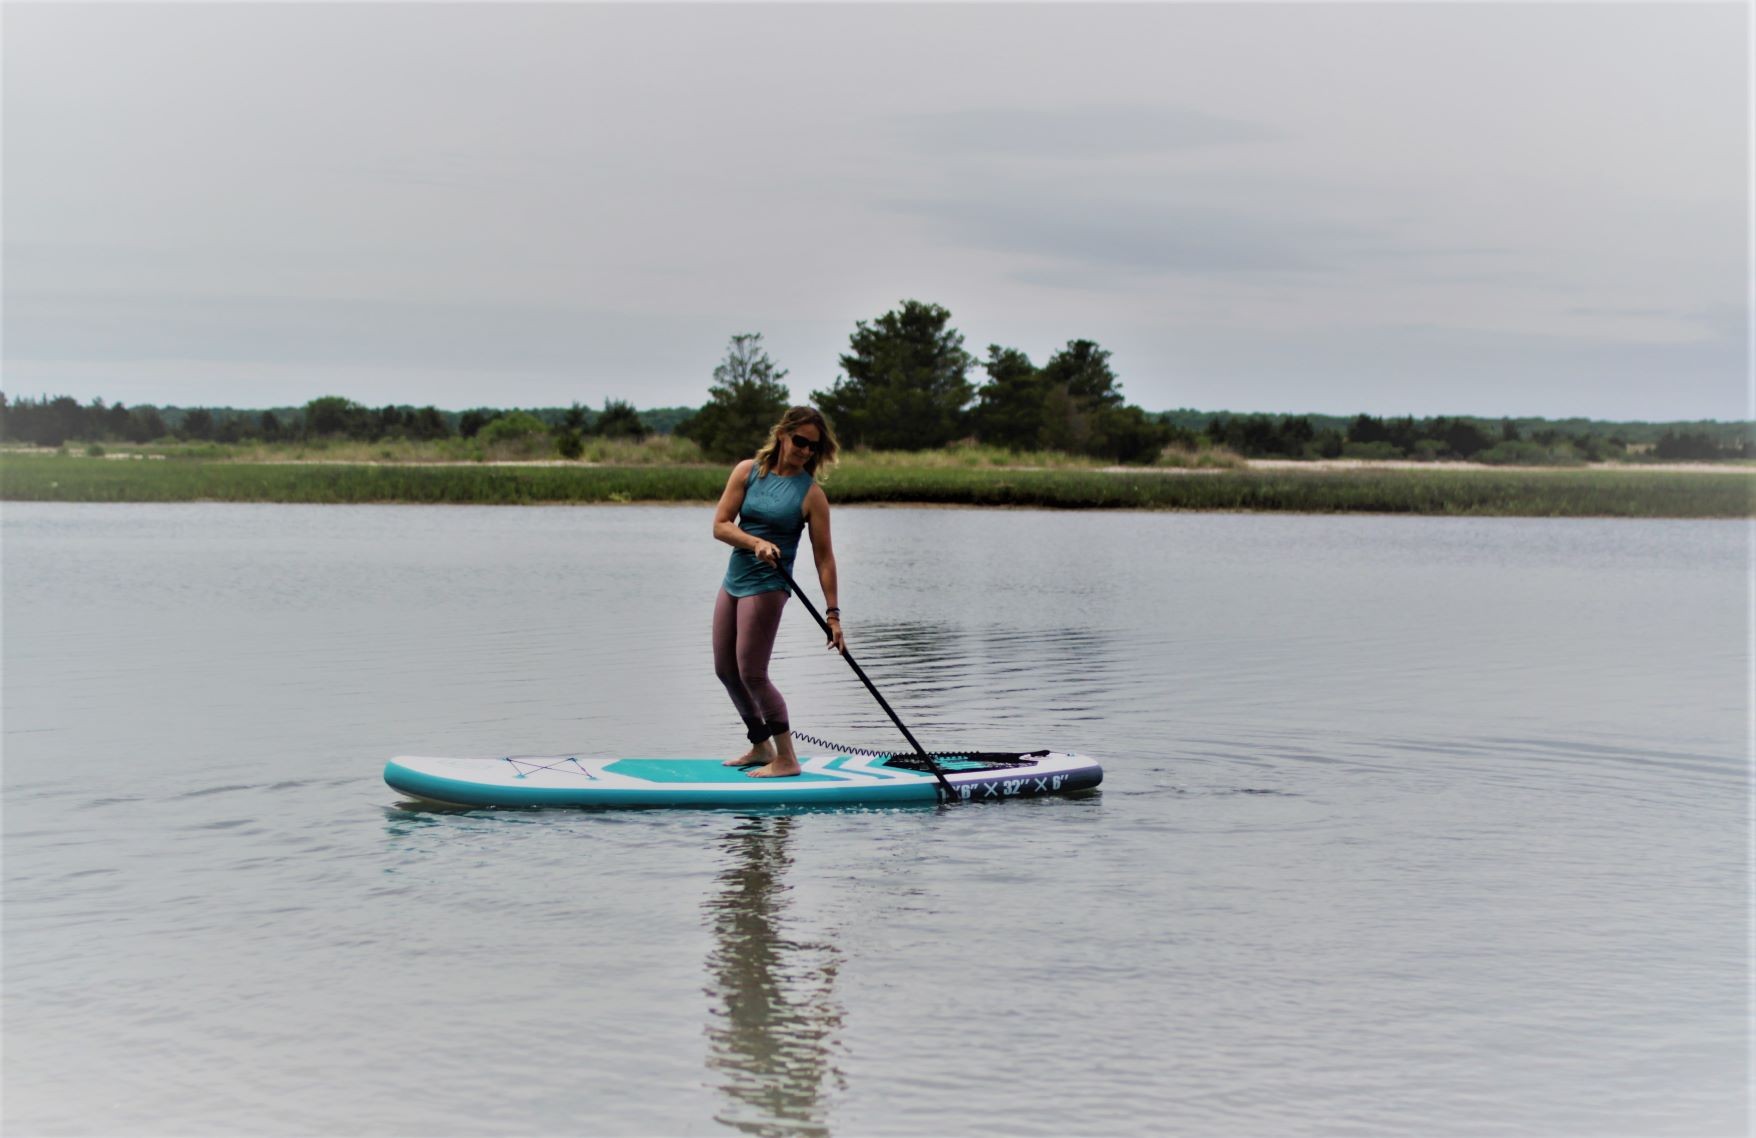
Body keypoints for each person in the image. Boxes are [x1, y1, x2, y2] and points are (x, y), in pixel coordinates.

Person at [712, 406, 844, 778]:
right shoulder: (747, 471)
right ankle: (760, 745)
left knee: (752, 672)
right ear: (783, 435)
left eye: (812, 447)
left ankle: (786, 758)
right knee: (726, 669)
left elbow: (825, 560)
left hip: (769, 585)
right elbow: (720, 526)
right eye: (799, 441)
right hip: (735, 578)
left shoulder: (812, 495)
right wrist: (755, 542)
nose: (804, 450)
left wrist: (833, 615)